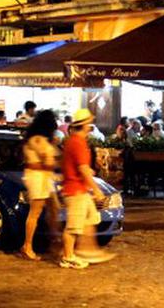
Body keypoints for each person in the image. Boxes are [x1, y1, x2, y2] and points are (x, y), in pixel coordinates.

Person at [60, 109, 115, 269]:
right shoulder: (77, 142)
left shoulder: (74, 141)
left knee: (88, 219)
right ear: (84, 125)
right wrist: (96, 189)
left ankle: (87, 250)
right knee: (74, 226)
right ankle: (68, 256)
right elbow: (83, 169)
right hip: (75, 189)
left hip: (78, 188)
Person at [20, 110, 60, 261]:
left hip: (42, 178)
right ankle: (27, 246)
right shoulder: (38, 140)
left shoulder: (37, 139)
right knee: (35, 213)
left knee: (53, 208)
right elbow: (48, 162)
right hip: (38, 179)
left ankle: (54, 239)